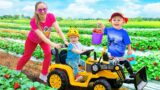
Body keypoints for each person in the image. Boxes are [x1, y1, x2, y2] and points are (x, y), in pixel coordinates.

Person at [16, 1, 68, 82]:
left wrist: (65, 40)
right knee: (26, 56)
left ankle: (43, 75)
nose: (42, 11)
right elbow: (42, 37)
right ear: (36, 11)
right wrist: (54, 44)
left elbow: (58, 30)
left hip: (44, 39)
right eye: (40, 10)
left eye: (44, 9)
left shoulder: (51, 16)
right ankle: (17, 71)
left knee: (48, 53)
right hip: (32, 40)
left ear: (47, 9)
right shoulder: (33, 21)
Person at [98, 12, 135, 78]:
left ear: (123, 22)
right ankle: (113, 76)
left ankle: (131, 74)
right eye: (114, 20)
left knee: (125, 62)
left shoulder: (124, 32)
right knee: (113, 66)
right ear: (111, 21)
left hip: (120, 54)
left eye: (118, 20)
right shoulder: (109, 30)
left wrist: (129, 50)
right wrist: (101, 25)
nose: (116, 22)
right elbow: (104, 30)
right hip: (111, 54)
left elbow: (128, 42)